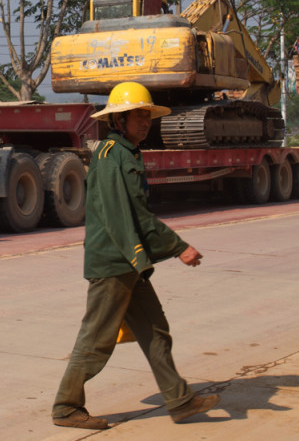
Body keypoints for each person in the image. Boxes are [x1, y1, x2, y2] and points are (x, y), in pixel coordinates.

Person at [52, 81, 219, 430]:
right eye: (136, 116)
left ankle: (180, 400)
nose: (144, 122)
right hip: (116, 262)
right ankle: (66, 407)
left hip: (129, 262)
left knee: (155, 330)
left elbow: (133, 213)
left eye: (146, 115)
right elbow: (128, 215)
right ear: (119, 120)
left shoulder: (126, 153)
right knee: (96, 339)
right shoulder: (114, 157)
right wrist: (177, 247)